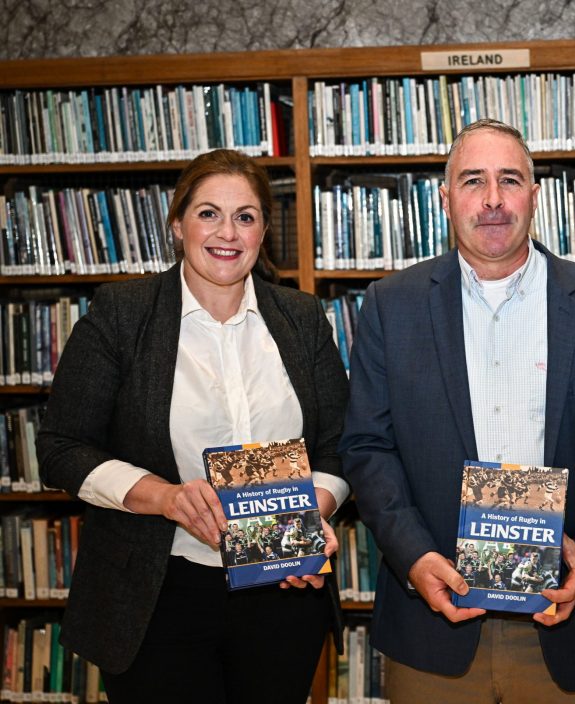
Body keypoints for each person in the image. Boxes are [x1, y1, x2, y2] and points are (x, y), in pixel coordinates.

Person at [339, 118, 575, 702]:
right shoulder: (391, 306)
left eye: (509, 180)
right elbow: (367, 447)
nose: (492, 200)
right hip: (434, 626)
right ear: (444, 198)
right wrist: (414, 558)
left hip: (565, 622)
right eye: (472, 181)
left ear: (534, 196)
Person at [36, 149, 351, 704]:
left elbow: (339, 447)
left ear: (262, 232)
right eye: (209, 213)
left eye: (245, 216)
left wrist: (311, 514)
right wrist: (165, 497)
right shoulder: (122, 314)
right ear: (178, 223)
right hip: (156, 592)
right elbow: (61, 448)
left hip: (283, 586)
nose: (227, 232)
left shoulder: (302, 318)